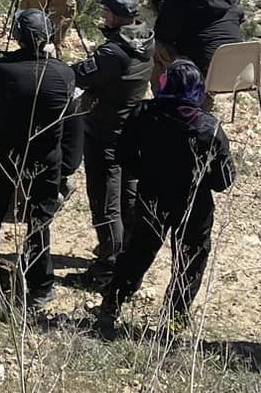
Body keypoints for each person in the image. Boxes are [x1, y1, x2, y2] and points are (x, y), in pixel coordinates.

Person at [96, 59, 235, 332]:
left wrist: (146, 171)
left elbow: (123, 154)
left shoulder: (143, 113)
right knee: (190, 263)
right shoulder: (209, 128)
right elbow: (224, 180)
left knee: (138, 253)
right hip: (194, 205)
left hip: (153, 197)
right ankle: (173, 321)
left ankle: (112, 304)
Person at [0, 9, 76, 311]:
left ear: (18, 37)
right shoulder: (64, 73)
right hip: (45, 157)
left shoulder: (1, 69)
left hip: (6, 153)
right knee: (39, 221)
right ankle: (39, 285)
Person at [71, 0, 155, 284]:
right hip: (132, 129)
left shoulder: (112, 53)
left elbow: (79, 75)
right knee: (128, 197)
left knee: (105, 201)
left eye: (106, 13)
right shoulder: (147, 37)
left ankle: (107, 267)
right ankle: (128, 257)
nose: (102, 17)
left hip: (105, 132)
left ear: (116, 17)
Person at [151, 0, 244, 74]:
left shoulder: (182, 6)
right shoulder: (231, 4)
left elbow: (162, 35)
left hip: (203, 72)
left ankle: (164, 89)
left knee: (157, 46)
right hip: (240, 72)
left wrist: (164, 8)